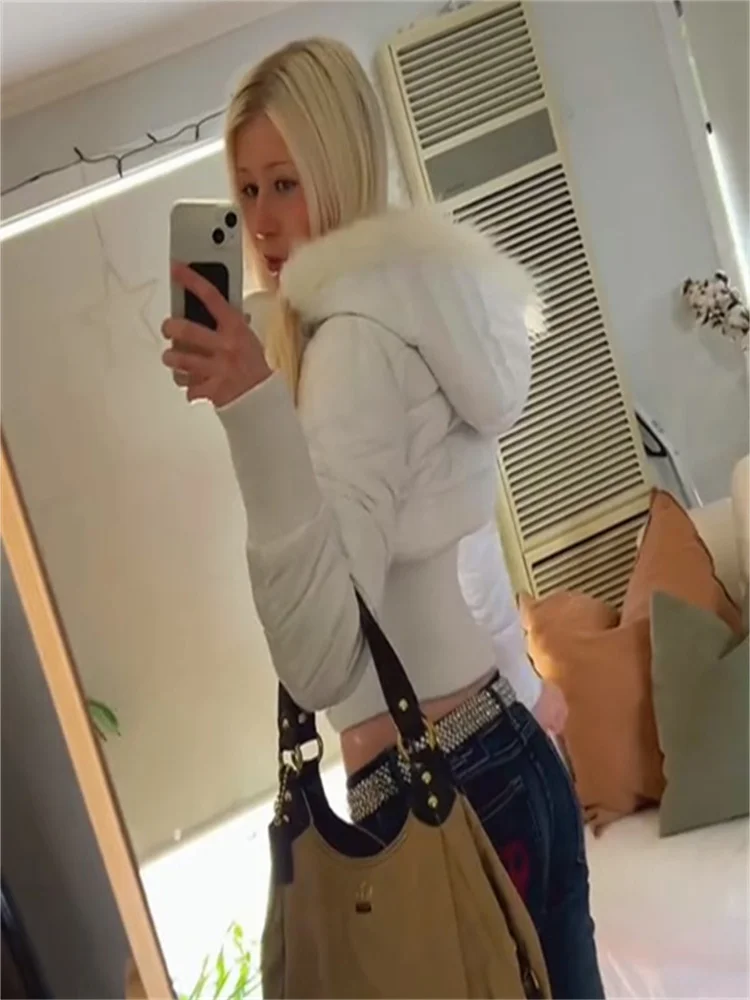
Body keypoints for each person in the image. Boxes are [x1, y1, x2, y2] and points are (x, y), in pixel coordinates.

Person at [161, 37, 604, 999]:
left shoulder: (354, 348)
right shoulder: (394, 318)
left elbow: (323, 658)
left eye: (287, 184)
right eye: (248, 191)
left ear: (342, 166)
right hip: (488, 759)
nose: (263, 223)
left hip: (444, 782)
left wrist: (253, 409)